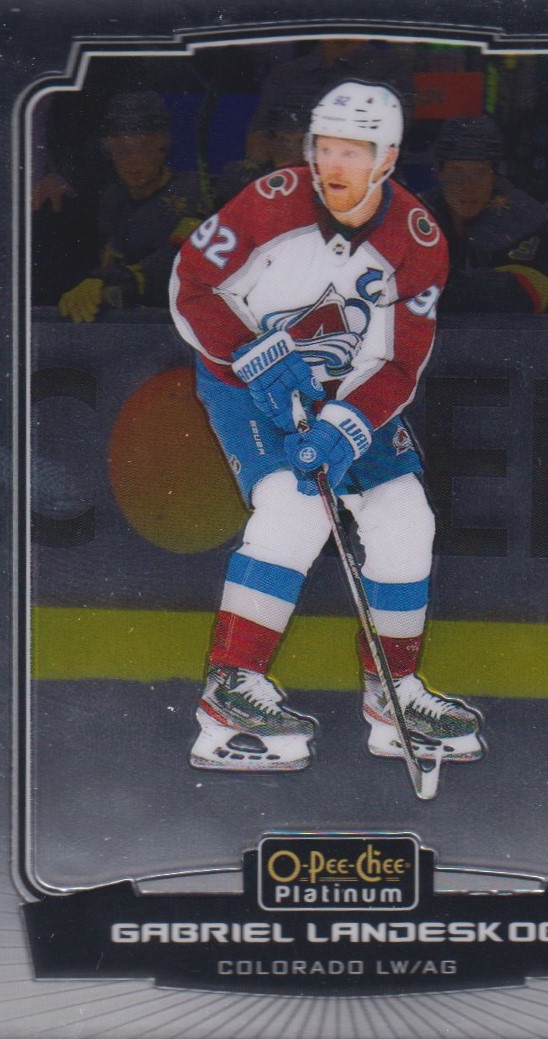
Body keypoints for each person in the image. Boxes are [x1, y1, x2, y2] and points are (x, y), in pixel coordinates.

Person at [170, 80, 485, 773]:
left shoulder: (418, 240)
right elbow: (189, 285)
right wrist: (248, 349)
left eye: (355, 151)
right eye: (326, 148)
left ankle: (393, 696)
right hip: (244, 380)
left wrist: (345, 424)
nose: (334, 165)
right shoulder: (268, 201)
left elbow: (400, 362)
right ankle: (229, 694)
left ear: (388, 158)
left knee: (406, 518)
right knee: (295, 506)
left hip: (353, 390)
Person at [58, 92, 212, 323]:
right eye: (122, 150)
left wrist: (111, 279)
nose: (132, 160)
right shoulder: (112, 199)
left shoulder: (193, 192)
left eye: (144, 149)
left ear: (163, 148)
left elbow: (180, 261)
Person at [422, 116, 548, 314]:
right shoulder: (417, 215)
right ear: (439, 174)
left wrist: (434, 284)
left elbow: (518, 296)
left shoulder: (525, 218)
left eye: (479, 172)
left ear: (494, 177)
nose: (468, 186)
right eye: (456, 171)